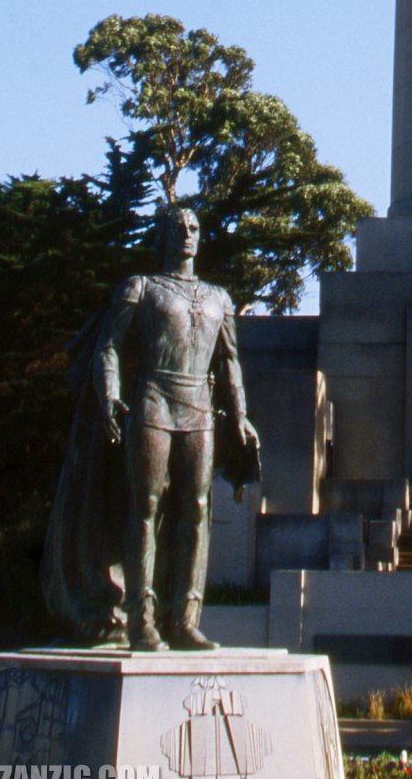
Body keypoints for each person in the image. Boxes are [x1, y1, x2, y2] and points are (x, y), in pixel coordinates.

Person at [43, 204, 259, 651]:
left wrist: (239, 415)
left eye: (194, 227)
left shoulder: (220, 298)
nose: (187, 233)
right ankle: (141, 619)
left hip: (199, 409)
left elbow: (231, 363)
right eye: (177, 227)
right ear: (161, 237)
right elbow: (108, 348)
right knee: (145, 507)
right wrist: (108, 397)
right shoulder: (140, 289)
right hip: (153, 402)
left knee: (195, 511)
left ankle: (183, 618)